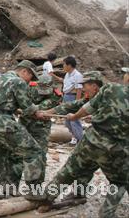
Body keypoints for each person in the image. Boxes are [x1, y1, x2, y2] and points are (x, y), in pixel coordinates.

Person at [39, 71, 128, 217]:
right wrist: (47, 112)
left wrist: (74, 117)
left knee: (70, 169)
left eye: (85, 85)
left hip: (93, 140)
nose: (82, 89)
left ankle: (46, 199)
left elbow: (86, 109)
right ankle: (101, 209)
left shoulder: (111, 88)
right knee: (118, 180)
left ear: (95, 86)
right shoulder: (104, 92)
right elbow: (73, 105)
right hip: (116, 148)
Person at [0, 60, 49, 201]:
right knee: (34, 151)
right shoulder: (18, 82)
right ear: (24, 71)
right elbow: (28, 107)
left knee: (0, 154)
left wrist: (13, 109)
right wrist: (38, 113)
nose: (30, 81)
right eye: (30, 77)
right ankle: (34, 191)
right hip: (3, 124)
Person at [17, 75, 60, 184]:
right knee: (18, 152)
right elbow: (22, 102)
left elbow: (39, 110)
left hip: (41, 128)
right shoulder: (30, 87)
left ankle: (36, 183)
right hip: (24, 124)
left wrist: (25, 110)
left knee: (40, 154)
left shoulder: (56, 95)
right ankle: (12, 182)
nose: (43, 93)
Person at [60, 56, 84, 144]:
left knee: (74, 119)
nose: (63, 66)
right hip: (66, 96)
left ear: (69, 65)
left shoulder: (78, 75)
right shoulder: (67, 74)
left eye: (64, 64)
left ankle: (80, 140)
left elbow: (79, 90)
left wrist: (77, 103)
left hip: (73, 97)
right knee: (67, 121)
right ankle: (74, 137)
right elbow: (66, 87)